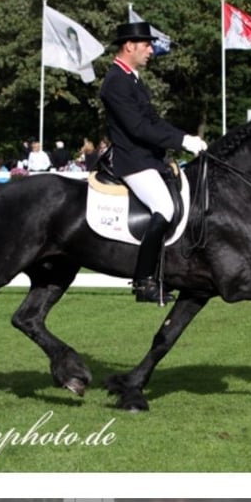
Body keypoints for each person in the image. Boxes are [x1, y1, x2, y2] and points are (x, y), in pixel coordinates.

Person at [99, 21, 207, 304]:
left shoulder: (132, 79)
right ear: (129, 46)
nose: (151, 50)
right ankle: (144, 280)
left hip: (149, 158)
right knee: (164, 207)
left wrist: (184, 137)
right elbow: (137, 128)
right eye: (146, 45)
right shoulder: (116, 82)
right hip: (133, 160)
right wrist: (180, 142)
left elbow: (154, 122)